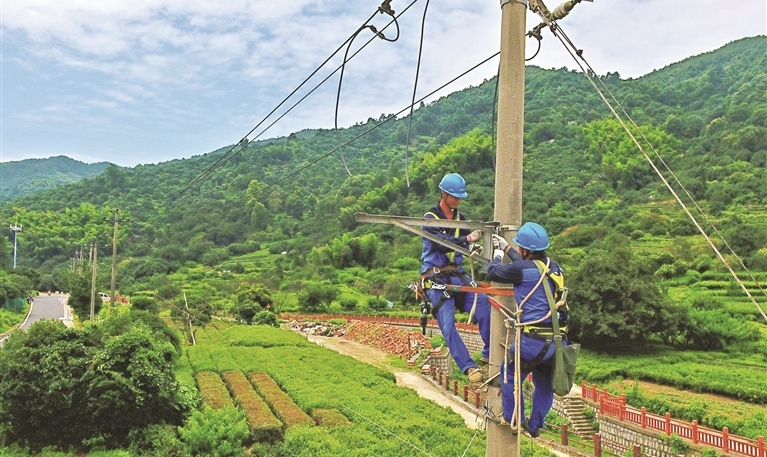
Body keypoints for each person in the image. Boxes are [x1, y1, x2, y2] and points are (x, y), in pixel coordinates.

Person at [486, 222, 568, 438]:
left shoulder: (521, 269)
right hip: (557, 341)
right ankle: (535, 426)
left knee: (508, 374)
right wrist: (507, 248)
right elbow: (527, 267)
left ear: (526, 250)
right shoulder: (555, 267)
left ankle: (515, 419)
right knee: (544, 385)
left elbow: (493, 272)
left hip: (531, 342)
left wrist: (497, 254)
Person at [420, 173, 491, 383]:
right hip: (437, 278)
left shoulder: (461, 219)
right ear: (443, 193)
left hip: (457, 275)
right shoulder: (430, 219)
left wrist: (470, 247)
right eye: (454, 196)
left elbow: (459, 242)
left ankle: (488, 355)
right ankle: (469, 367)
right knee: (448, 324)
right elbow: (441, 243)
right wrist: (467, 239)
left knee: (484, 303)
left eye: (460, 197)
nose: (458, 201)